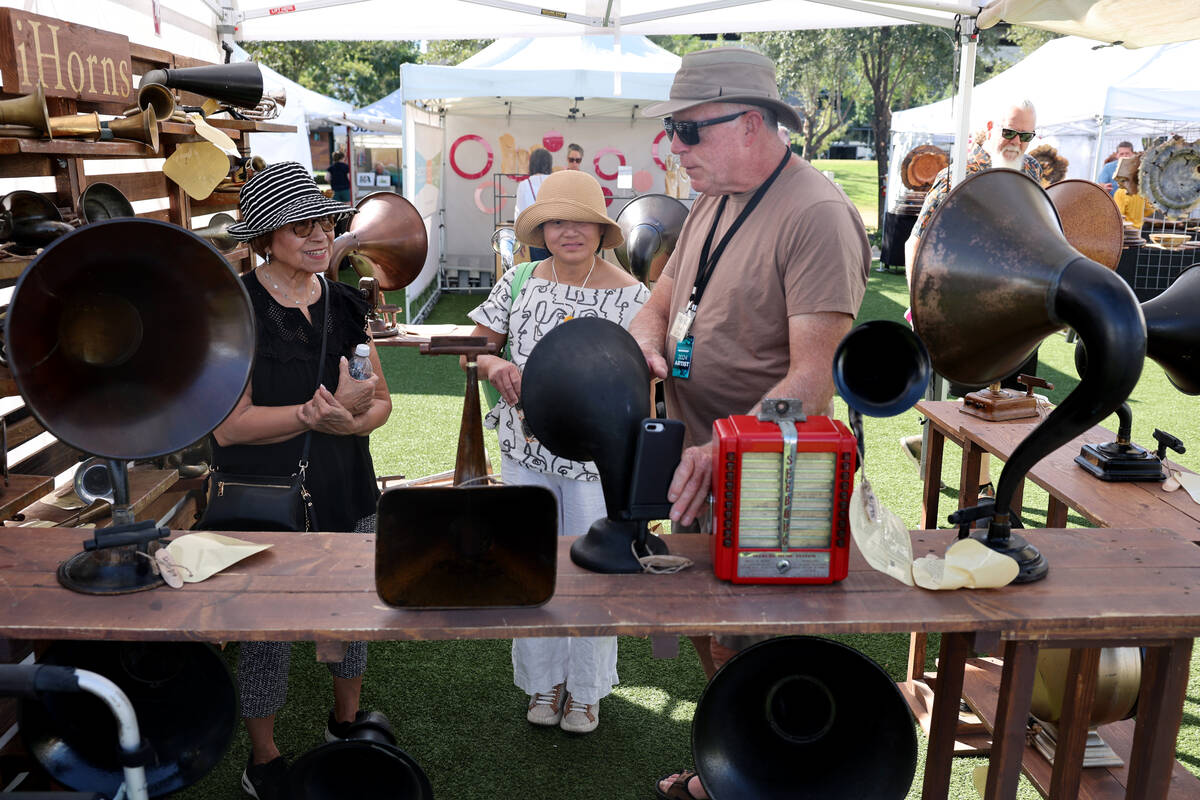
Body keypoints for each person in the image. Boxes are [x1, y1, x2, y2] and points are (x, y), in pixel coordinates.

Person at [626, 47, 870, 800]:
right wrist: (642, 338)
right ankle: (729, 769)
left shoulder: (818, 214)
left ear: (754, 122)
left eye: (690, 130)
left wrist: (724, 446)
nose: (677, 147)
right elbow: (662, 300)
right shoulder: (712, 198)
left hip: (771, 471)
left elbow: (812, 383)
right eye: (674, 129)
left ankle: (759, 777)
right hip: (705, 459)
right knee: (719, 631)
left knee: (764, 643)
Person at [218, 161, 393, 800]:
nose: (320, 237)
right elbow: (229, 429)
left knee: (352, 612)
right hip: (265, 493)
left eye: (324, 222)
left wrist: (347, 423)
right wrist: (307, 415)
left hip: (347, 480)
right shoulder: (234, 305)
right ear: (265, 238)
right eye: (300, 227)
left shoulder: (346, 301)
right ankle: (263, 757)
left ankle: (346, 723)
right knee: (267, 630)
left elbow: (380, 404)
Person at [465, 169, 650, 735]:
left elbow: (649, 376)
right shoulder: (519, 279)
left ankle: (588, 691)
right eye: (557, 221)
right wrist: (493, 364)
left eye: (582, 222)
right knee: (530, 561)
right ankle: (543, 680)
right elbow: (479, 346)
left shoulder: (633, 296)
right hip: (526, 448)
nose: (570, 232)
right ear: (541, 230)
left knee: (597, 574)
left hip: (602, 462)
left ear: (601, 231)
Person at [899, 100, 1045, 484]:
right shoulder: (958, 173)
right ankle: (982, 491)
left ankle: (925, 442)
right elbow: (915, 242)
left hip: (1016, 305)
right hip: (959, 304)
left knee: (1010, 398)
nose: (1016, 142)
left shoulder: (1031, 170)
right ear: (992, 126)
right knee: (975, 397)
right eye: (1009, 132)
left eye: (1025, 136)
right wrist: (920, 307)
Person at [515, 147, 554, 261]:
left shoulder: (524, 184)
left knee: (539, 272)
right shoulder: (555, 180)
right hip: (555, 231)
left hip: (535, 233)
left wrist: (519, 240)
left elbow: (519, 214)